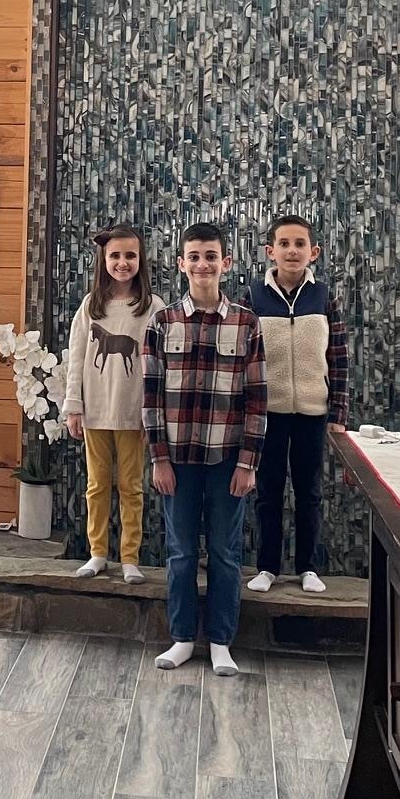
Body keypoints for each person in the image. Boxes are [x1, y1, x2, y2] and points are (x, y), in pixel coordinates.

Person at [143, 222, 266, 677]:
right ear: (181, 263)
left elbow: (257, 399)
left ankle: (220, 642)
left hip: (227, 459)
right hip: (176, 461)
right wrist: (158, 459)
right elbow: (150, 396)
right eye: (193, 256)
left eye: (210, 256)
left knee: (225, 553)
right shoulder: (162, 322)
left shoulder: (246, 323)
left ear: (225, 263)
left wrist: (248, 463)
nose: (202, 264)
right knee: (180, 553)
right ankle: (181, 638)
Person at [247, 214, 349, 595]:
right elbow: (243, 358)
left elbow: (339, 357)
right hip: (267, 415)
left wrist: (338, 413)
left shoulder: (323, 296)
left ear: (313, 252)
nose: (292, 251)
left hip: (312, 413)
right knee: (268, 493)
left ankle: (308, 567)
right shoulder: (253, 297)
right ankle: (267, 567)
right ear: (270, 251)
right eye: (284, 244)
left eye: (300, 244)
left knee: (310, 494)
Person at [62, 226, 164, 584]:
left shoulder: (152, 308)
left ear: (141, 260)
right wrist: (73, 406)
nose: (123, 262)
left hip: (133, 413)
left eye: (130, 255)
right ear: (104, 261)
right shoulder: (91, 306)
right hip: (96, 412)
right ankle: (98, 553)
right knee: (97, 485)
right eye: (115, 256)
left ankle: (130, 557)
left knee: (131, 486)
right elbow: (76, 358)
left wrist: (154, 413)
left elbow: (160, 364)